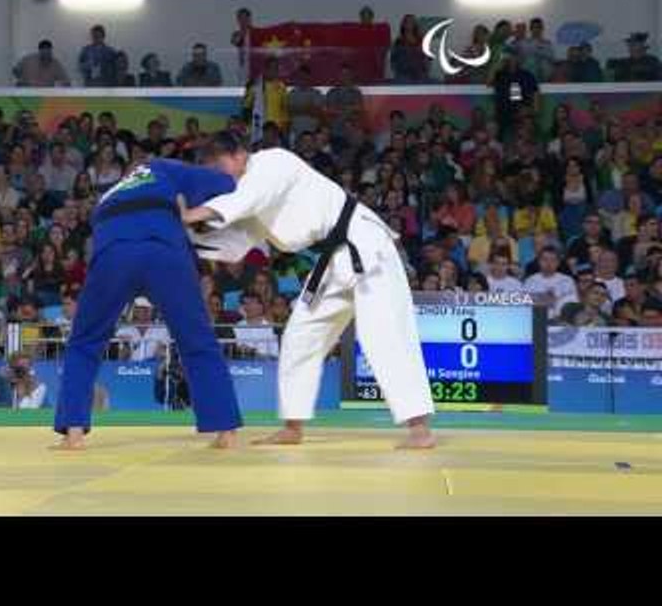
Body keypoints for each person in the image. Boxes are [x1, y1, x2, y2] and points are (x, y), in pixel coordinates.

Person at [182, 132, 435, 448]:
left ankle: (419, 429)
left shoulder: (272, 163)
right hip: (333, 262)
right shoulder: (253, 198)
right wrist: (184, 236)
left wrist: (190, 214)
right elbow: (234, 245)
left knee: (384, 335)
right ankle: (293, 426)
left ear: (238, 155)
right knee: (300, 335)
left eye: (218, 167)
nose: (218, 177)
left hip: (366, 247)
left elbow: (241, 201)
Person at [52, 157, 244, 450]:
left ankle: (73, 432)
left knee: (84, 342)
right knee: (197, 340)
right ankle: (225, 430)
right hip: (163, 251)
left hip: (113, 255)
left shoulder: (108, 196)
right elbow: (226, 183)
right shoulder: (162, 168)